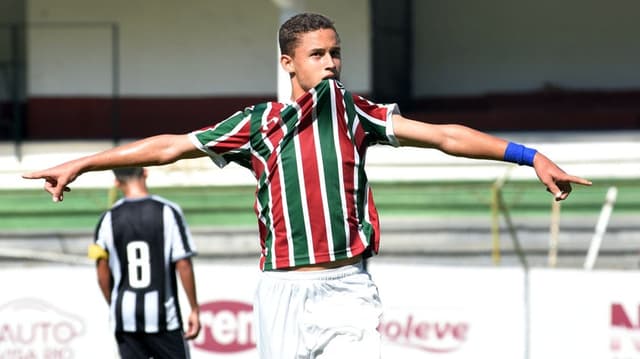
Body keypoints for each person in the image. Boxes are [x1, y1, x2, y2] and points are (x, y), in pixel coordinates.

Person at [24, 13, 591, 358]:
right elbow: (169, 145)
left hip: (348, 286)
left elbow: (442, 135)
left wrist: (529, 155)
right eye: (317, 54)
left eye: (336, 52)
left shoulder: (356, 114)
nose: (331, 63)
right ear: (288, 63)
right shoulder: (256, 125)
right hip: (282, 293)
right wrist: (84, 162)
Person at [88, 167, 201, 359]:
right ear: (145, 172)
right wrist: (194, 309)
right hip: (165, 317)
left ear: (116, 182)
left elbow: (102, 272)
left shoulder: (107, 218)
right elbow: (183, 263)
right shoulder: (168, 211)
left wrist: (114, 303)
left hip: (125, 316)